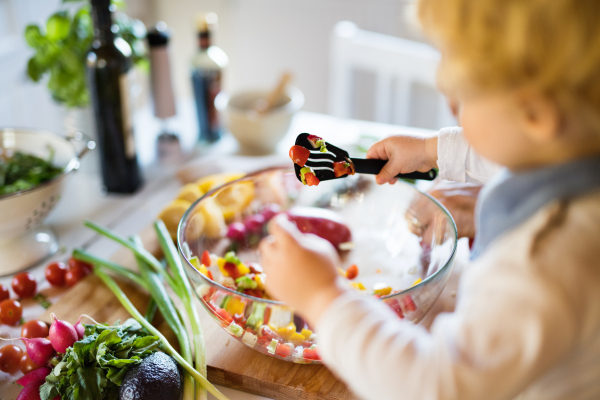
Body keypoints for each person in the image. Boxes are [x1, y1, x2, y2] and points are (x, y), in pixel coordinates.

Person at [259, 0, 600, 398]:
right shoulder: (572, 161)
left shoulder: (542, 261)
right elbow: (507, 154)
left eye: (463, 92)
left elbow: (436, 384)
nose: (442, 84)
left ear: (535, 114)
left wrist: (323, 296)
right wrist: (431, 150)